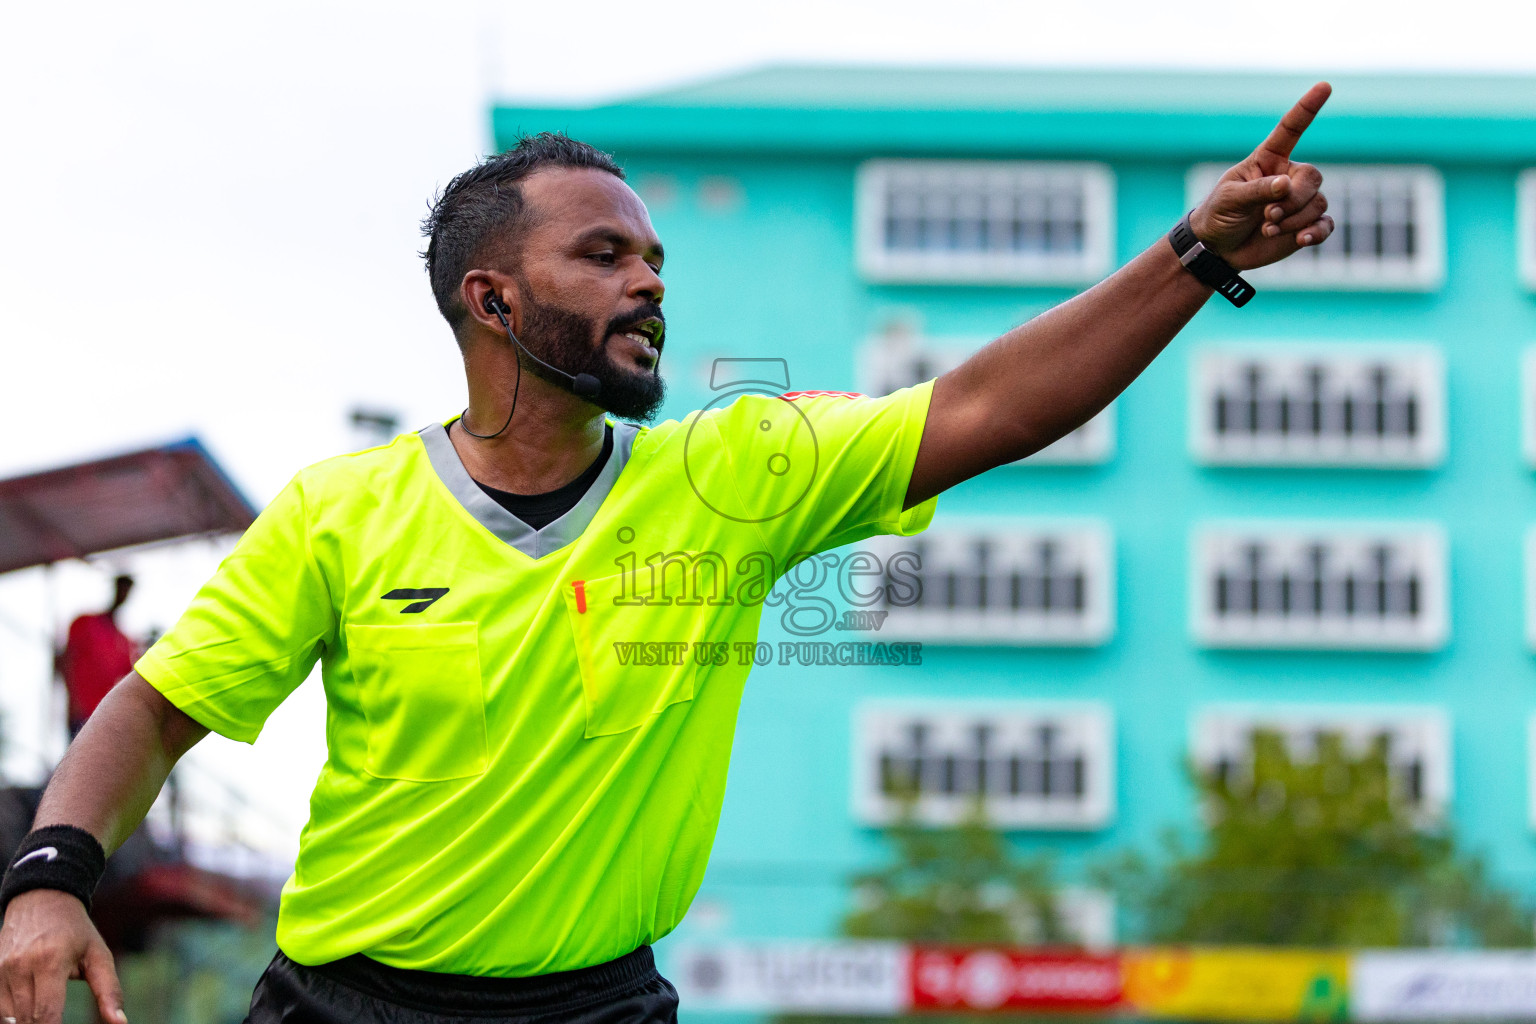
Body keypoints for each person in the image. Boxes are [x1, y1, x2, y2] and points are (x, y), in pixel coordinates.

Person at [0, 84, 1337, 1024]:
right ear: (493, 298)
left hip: (603, 1006)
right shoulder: (337, 510)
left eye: (654, 255)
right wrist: (51, 881)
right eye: (604, 254)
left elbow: (991, 408)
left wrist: (1192, 256)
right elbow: (154, 710)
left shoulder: (732, 473)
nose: (649, 279)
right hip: (346, 1005)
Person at [57, 576, 137, 738]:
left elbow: (127, 680)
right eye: (121, 588)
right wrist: (74, 703)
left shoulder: (125, 642)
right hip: (81, 714)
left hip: (103, 717)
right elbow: (64, 662)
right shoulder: (84, 622)